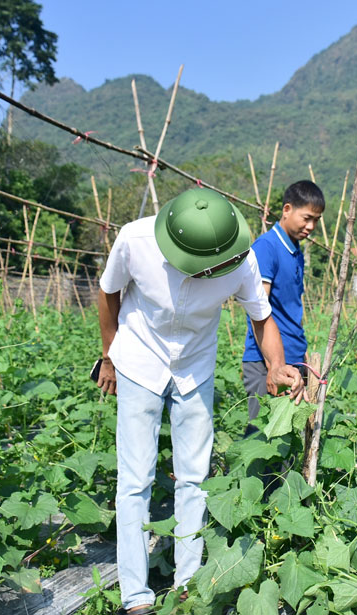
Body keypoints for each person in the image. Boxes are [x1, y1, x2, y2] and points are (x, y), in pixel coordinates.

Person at [96, 187, 304, 614]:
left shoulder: (241, 259)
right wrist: (109, 355)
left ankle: (186, 584)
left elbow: (261, 317)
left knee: (195, 476)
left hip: (195, 365)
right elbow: (108, 291)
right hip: (139, 358)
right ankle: (136, 598)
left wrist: (276, 366)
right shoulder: (135, 240)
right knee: (134, 480)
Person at [242, 180, 325, 426]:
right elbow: (257, 311)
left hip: (293, 360)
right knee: (264, 441)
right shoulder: (267, 248)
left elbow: (290, 309)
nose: (310, 226)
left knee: (286, 445)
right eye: (306, 218)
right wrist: (273, 367)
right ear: (287, 209)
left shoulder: (295, 250)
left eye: (316, 221)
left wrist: (303, 354)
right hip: (266, 362)